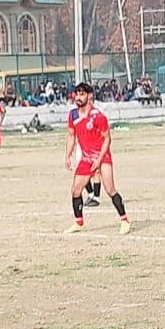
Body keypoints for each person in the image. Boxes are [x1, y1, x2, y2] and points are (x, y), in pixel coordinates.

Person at [64, 82, 130, 234]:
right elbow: (71, 136)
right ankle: (79, 223)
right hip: (86, 159)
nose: (78, 97)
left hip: (102, 157)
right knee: (75, 191)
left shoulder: (98, 116)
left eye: (82, 94)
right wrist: (67, 156)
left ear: (90, 96)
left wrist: (99, 160)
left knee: (110, 189)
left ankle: (124, 220)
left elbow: (107, 139)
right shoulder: (73, 115)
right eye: (76, 94)